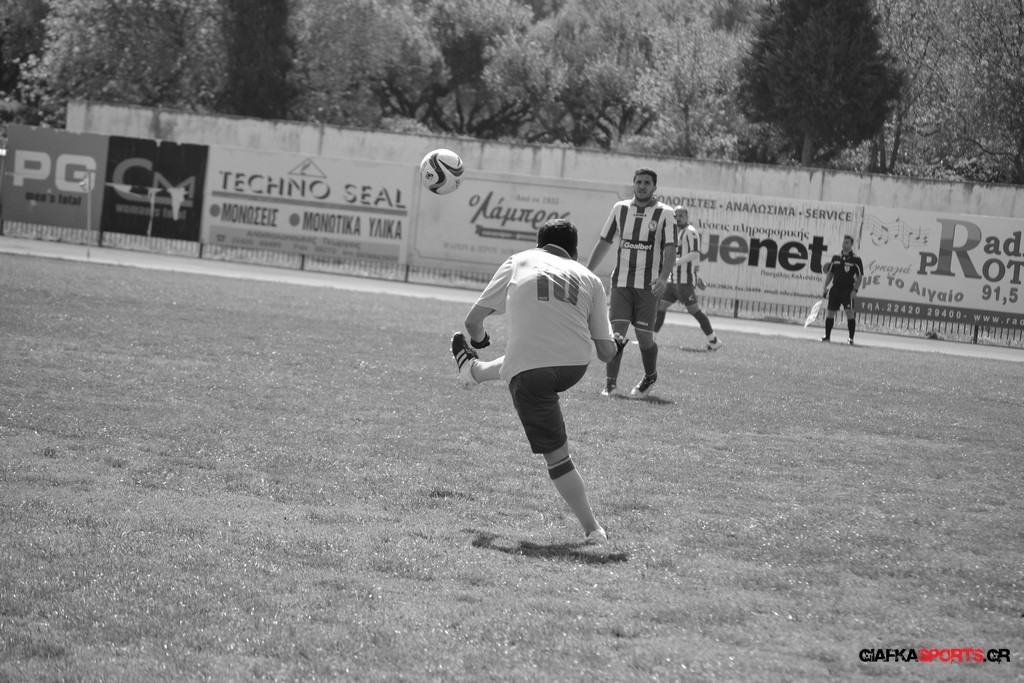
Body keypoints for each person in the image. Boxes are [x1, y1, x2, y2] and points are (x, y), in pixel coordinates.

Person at [449, 218, 626, 545]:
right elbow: (605, 353)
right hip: (575, 365)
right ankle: (472, 371)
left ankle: (593, 529)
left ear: (539, 244)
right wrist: (616, 343)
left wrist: (481, 339)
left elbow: (473, 321)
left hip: (533, 372)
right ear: (574, 252)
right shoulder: (590, 278)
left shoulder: (520, 260)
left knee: (557, 457)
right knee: (525, 358)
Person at [585, 168, 676, 398]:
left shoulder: (665, 213)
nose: (642, 186)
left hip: (649, 286)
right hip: (621, 283)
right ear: (633, 184)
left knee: (645, 337)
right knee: (616, 334)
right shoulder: (620, 208)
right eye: (639, 182)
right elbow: (604, 242)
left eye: (647, 183)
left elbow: (670, 249)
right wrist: (586, 272)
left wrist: (663, 278)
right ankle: (610, 385)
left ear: (654, 187)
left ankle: (650, 376)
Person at [653, 207, 724, 351]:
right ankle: (651, 338)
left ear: (687, 217)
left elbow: (695, 254)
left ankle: (714, 340)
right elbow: (689, 258)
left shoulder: (691, 232)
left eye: (681, 215)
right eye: (676, 216)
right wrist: (698, 276)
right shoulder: (678, 232)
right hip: (673, 280)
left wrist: (675, 262)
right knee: (660, 306)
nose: (678, 218)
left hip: (684, 281)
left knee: (694, 310)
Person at [820, 234, 864, 344]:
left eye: (847, 243)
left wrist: (855, 290)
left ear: (851, 245)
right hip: (835, 289)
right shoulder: (836, 258)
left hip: (848, 290)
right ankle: (827, 337)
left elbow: (859, 277)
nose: (844, 244)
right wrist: (825, 287)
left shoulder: (856, 259)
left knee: (849, 313)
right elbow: (830, 273)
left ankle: (851, 338)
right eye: (844, 242)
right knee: (830, 313)